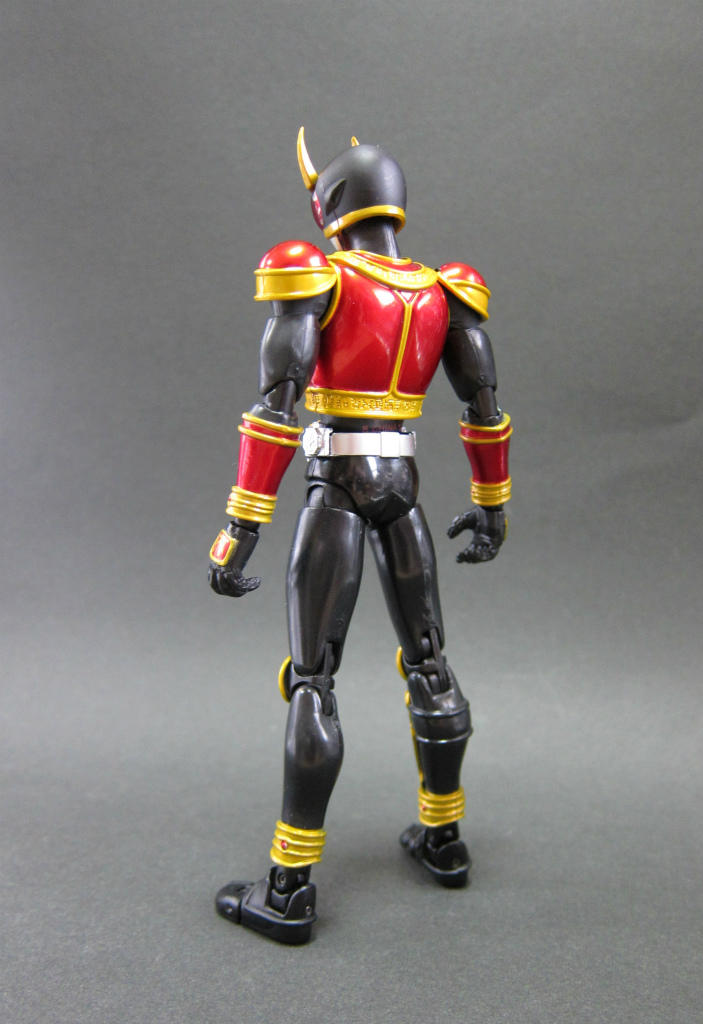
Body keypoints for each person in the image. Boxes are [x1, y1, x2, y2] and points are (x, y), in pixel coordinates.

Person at [207, 129, 512, 944]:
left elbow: (275, 407)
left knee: (313, 679)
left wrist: (240, 526)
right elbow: (483, 405)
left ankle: (289, 889)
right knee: (428, 660)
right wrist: (491, 504)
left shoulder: (320, 276)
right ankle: (442, 838)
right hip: (402, 484)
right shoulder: (444, 291)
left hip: (339, 482)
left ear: (331, 204)